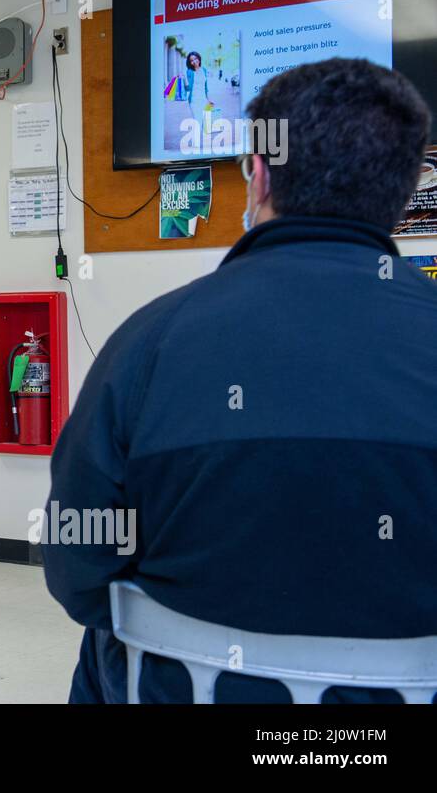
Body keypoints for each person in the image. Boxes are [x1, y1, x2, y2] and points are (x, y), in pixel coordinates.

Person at [44, 57, 437, 702]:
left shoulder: (147, 343)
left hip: (187, 689)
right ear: (403, 192)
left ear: (256, 174)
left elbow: (76, 571)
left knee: (103, 646)